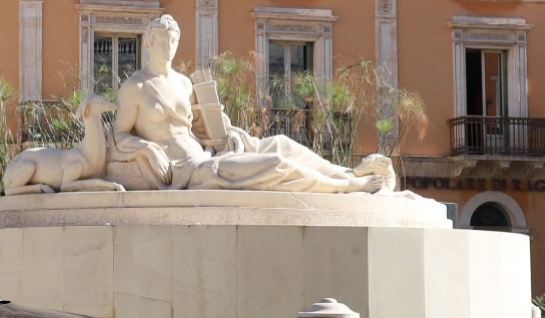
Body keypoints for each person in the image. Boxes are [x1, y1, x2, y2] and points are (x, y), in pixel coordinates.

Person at [107, 14, 393, 194]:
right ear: (148, 44)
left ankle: (346, 172)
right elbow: (120, 135)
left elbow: (200, 126)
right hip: (188, 170)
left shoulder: (184, 82)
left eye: (173, 41)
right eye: (162, 41)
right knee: (275, 164)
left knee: (282, 143)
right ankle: (346, 187)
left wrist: (227, 132)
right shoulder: (136, 86)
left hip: (210, 152)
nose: (168, 47)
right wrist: (148, 149)